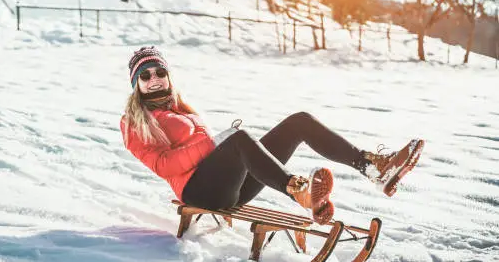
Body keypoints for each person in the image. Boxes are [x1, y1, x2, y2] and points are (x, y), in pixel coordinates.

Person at [119, 46, 424, 227]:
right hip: (200, 193)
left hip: (229, 186)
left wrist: (216, 147)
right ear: (137, 84)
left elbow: (209, 152)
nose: (154, 80)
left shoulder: (181, 108)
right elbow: (163, 166)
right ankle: (300, 192)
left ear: (168, 76)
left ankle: (373, 168)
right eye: (145, 76)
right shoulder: (134, 122)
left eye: (159, 72)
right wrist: (212, 144)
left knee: (299, 122)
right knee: (238, 139)